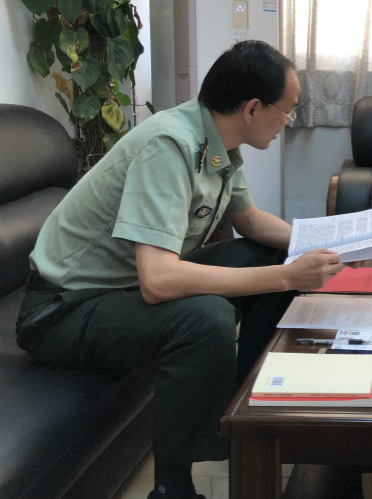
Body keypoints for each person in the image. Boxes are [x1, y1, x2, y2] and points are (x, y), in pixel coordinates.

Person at [16, 40, 344, 499]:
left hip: (122, 288)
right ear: (253, 108)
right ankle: (172, 487)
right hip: (62, 309)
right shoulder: (169, 145)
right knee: (205, 318)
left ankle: (245, 408)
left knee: (267, 254)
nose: (286, 123)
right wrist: (289, 277)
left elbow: (250, 222)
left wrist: (327, 247)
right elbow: (159, 280)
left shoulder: (216, 140)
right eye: (287, 112)